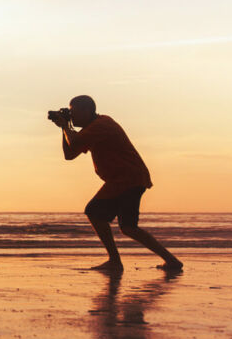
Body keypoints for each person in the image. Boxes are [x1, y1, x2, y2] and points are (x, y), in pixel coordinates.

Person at [50, 95, 183, 271]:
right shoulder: (92, 128)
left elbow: (73, 142)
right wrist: (63, 128)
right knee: (128, 227)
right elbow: (70, 154)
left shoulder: (102, 125)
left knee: (94, 212)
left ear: (87, 110)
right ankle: (171, 261)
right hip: (126, 179)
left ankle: (115, 261)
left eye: (73, 112)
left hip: (127, 178)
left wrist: (65, 126)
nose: (71, 116)